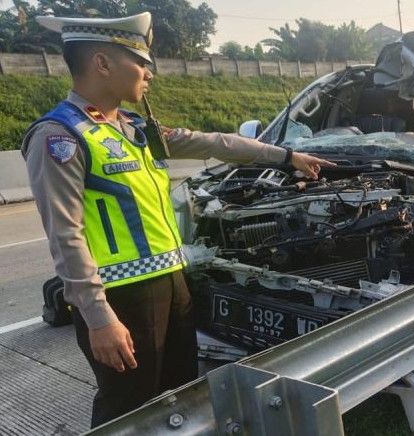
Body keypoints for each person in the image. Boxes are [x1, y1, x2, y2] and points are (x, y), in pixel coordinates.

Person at [21, 12, 334, 427]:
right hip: (122, 297)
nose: (149, 73)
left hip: (171, 282)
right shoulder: (61, 136)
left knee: (179, 400)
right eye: (140, 62)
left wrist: (287, 157)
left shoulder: (133, 128)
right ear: (102, 63)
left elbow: (217, 143)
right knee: (128, 410)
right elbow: (66, 235)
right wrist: (99, 317)